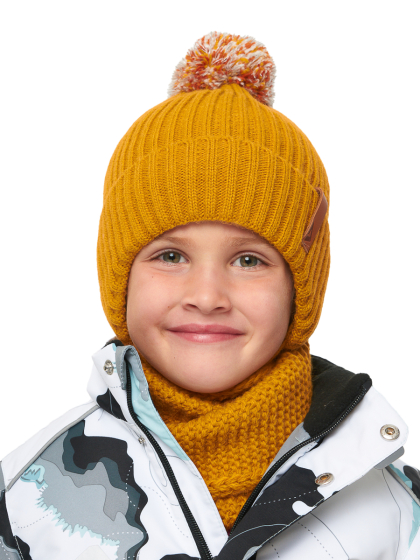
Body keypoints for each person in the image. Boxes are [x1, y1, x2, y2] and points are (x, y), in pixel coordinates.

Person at [0, 31, 419, 560]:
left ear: (302, 290)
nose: (206, 295)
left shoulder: (392, 507)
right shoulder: (26, 503)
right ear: (119, 280)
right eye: (170, 256)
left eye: (249, 261)